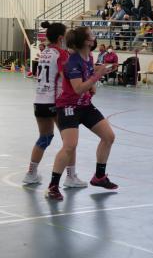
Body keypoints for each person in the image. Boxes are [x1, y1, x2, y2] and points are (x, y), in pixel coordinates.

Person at [45, 27, 117, 201]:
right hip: (68, 107)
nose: (94, 36)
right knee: (70, 146)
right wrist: (96, 76)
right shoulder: (72, 62)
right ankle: (53, 186)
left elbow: (90, 76)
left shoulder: (89, 57)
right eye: (91, 34)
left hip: (84, 106)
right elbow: (77, 89)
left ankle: (99, 176)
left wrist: (102, 71)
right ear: (86, 41)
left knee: (108, 136)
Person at [23, 21, 86, 187]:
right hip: (55, 102)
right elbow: (66, 76)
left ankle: (31, 174)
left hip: (39, 101)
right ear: (60, 38)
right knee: (70, 142)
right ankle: (71, 177)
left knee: (45, 137)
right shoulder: (61, 54)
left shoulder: (44, 52)